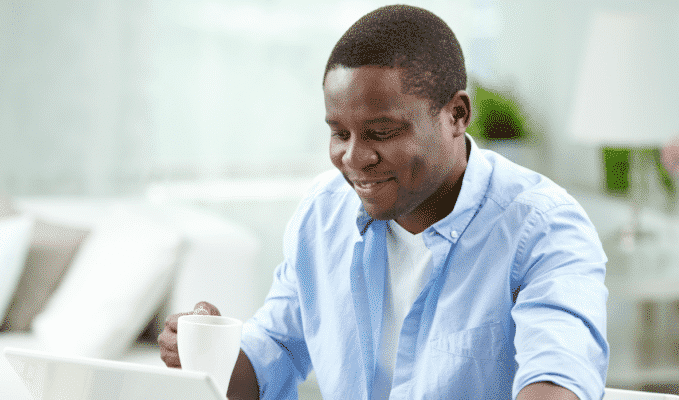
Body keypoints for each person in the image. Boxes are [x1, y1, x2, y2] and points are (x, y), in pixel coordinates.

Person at [159, 5, 608, 399]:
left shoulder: (545, 227)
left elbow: (558, 378)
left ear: (456, 115)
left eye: (381, 132)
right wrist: (208, 354)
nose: (353, 158)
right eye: (339, 133)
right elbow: (272, 351)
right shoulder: (323, 214)